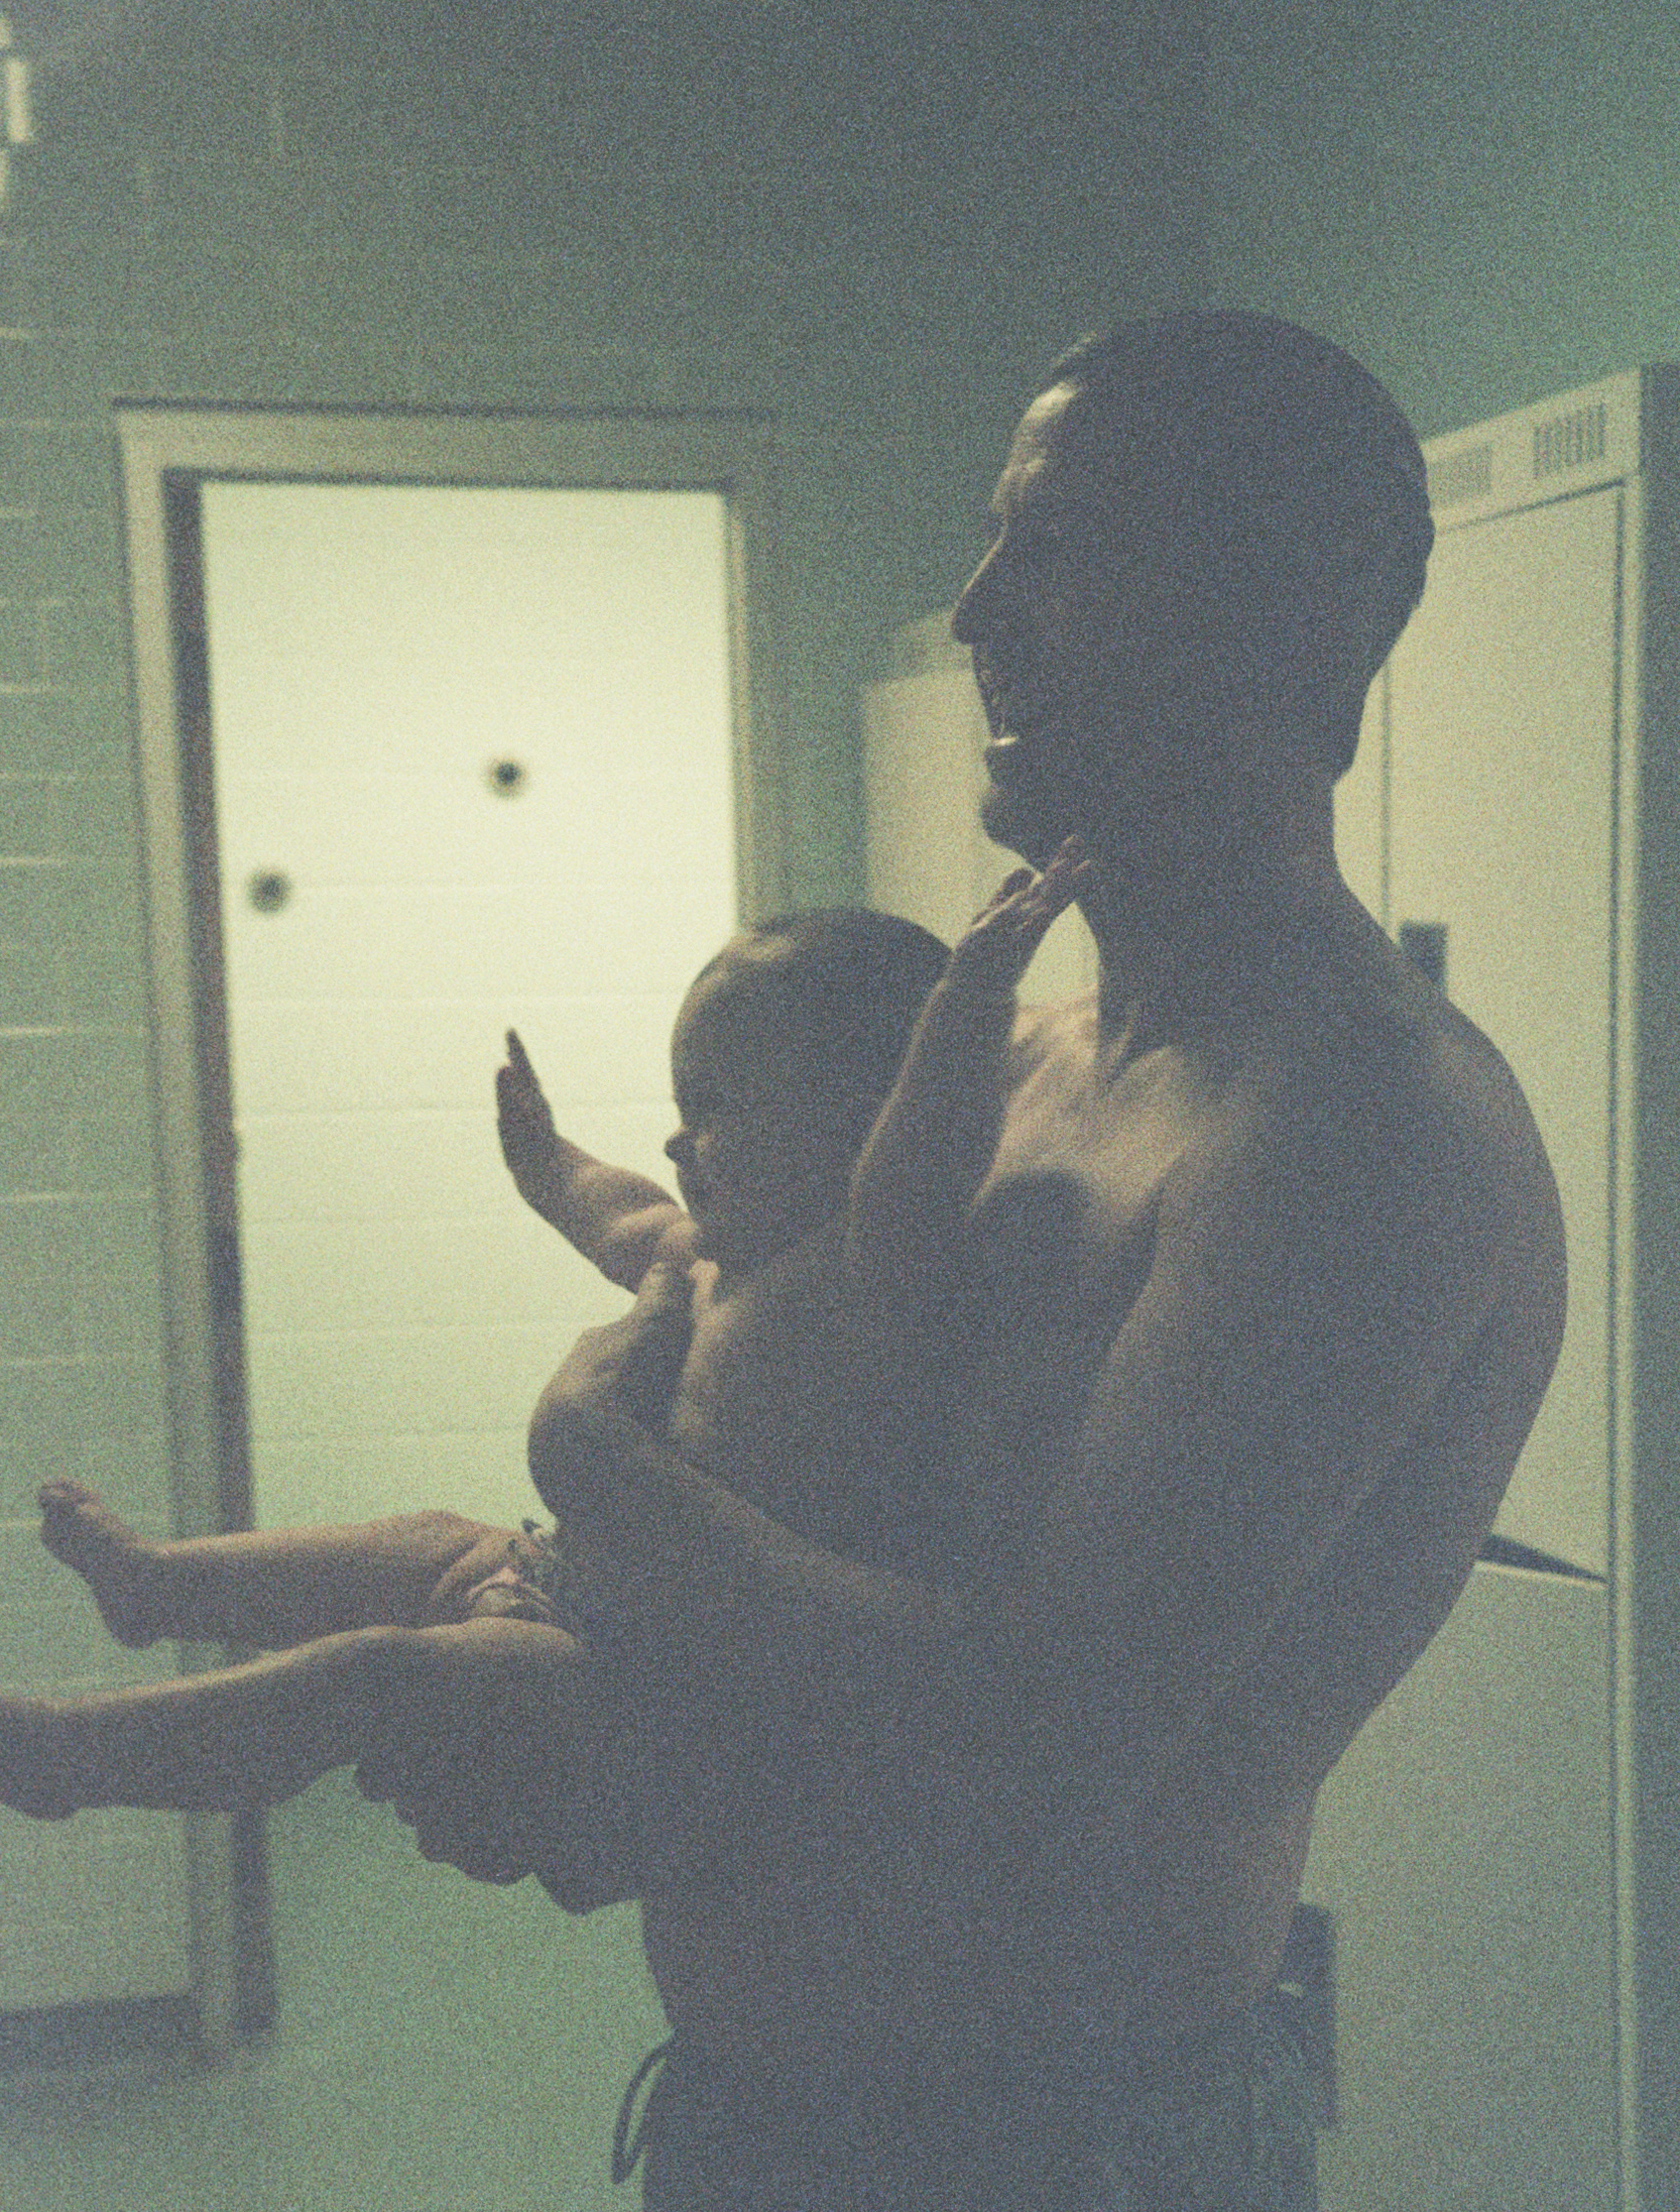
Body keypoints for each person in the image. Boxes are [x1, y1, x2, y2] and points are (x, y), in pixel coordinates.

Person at [356, 310, 1567, 2210]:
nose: (982, 605)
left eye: (1056, 547)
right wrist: (584, 1729)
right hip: (770, 2119)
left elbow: (1040, 1746)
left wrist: (610, 1486)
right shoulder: (1012, 1060)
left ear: (1276, 623)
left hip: (1046, 2149)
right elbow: (823, 1476)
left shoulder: (1358, 1131)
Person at [0, 885, 1084, 1865]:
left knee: (374, 1675)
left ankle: (62, 1753)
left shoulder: (868, 1267)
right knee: (423, 1541)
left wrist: (968, 1001)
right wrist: (546, 1163)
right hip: (561, 1580)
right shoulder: (707, 1252)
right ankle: (158, 1585)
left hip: (641, 1677)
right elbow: (618, 1209)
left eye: (716, 1107)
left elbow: (926, 1153)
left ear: (868, 1115)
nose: (678, 1141)